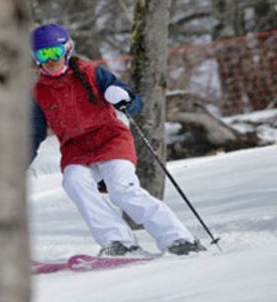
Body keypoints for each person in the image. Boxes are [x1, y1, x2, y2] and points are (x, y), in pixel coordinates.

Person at [29, 23, 204, 257]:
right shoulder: (39, 92)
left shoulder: (92, 73)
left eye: (55, 52)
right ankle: (119, 242)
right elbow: (32, 133)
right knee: (74, 182)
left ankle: (179, 238)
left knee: (121, 189)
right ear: (36, 58)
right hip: (76, 150)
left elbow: (133, 101)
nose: (51, 60)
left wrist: (124, 98)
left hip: (111, 139)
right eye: (43, 54)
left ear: (67, 50)